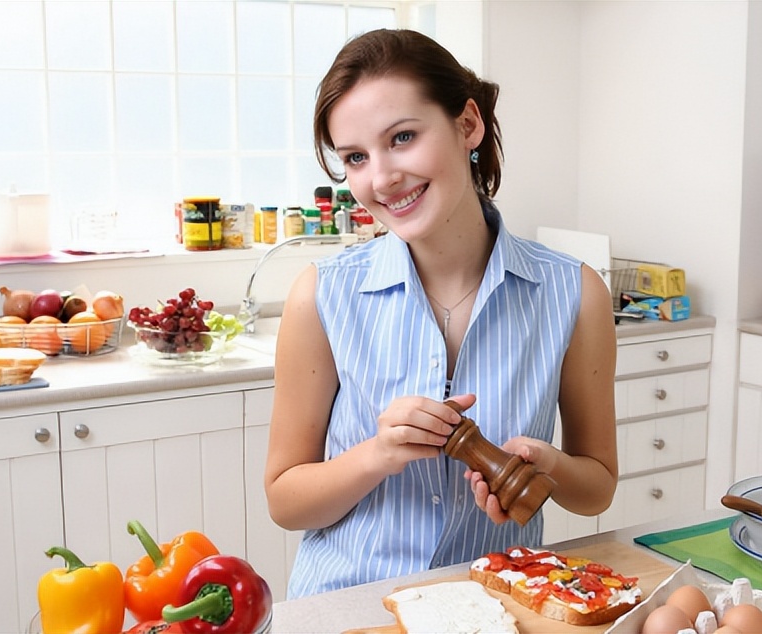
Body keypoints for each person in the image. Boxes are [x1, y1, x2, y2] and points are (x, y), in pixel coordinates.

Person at [264, 28, 618, 599]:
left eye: (402, 137)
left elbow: (596, 487)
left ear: (467, 125)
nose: (381, 178)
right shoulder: (321, 297)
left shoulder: (573, 293)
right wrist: (377, 455)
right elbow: (285, 500)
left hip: (496, 605)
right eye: (355, 157)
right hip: (350, 605)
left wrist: (547, 464)